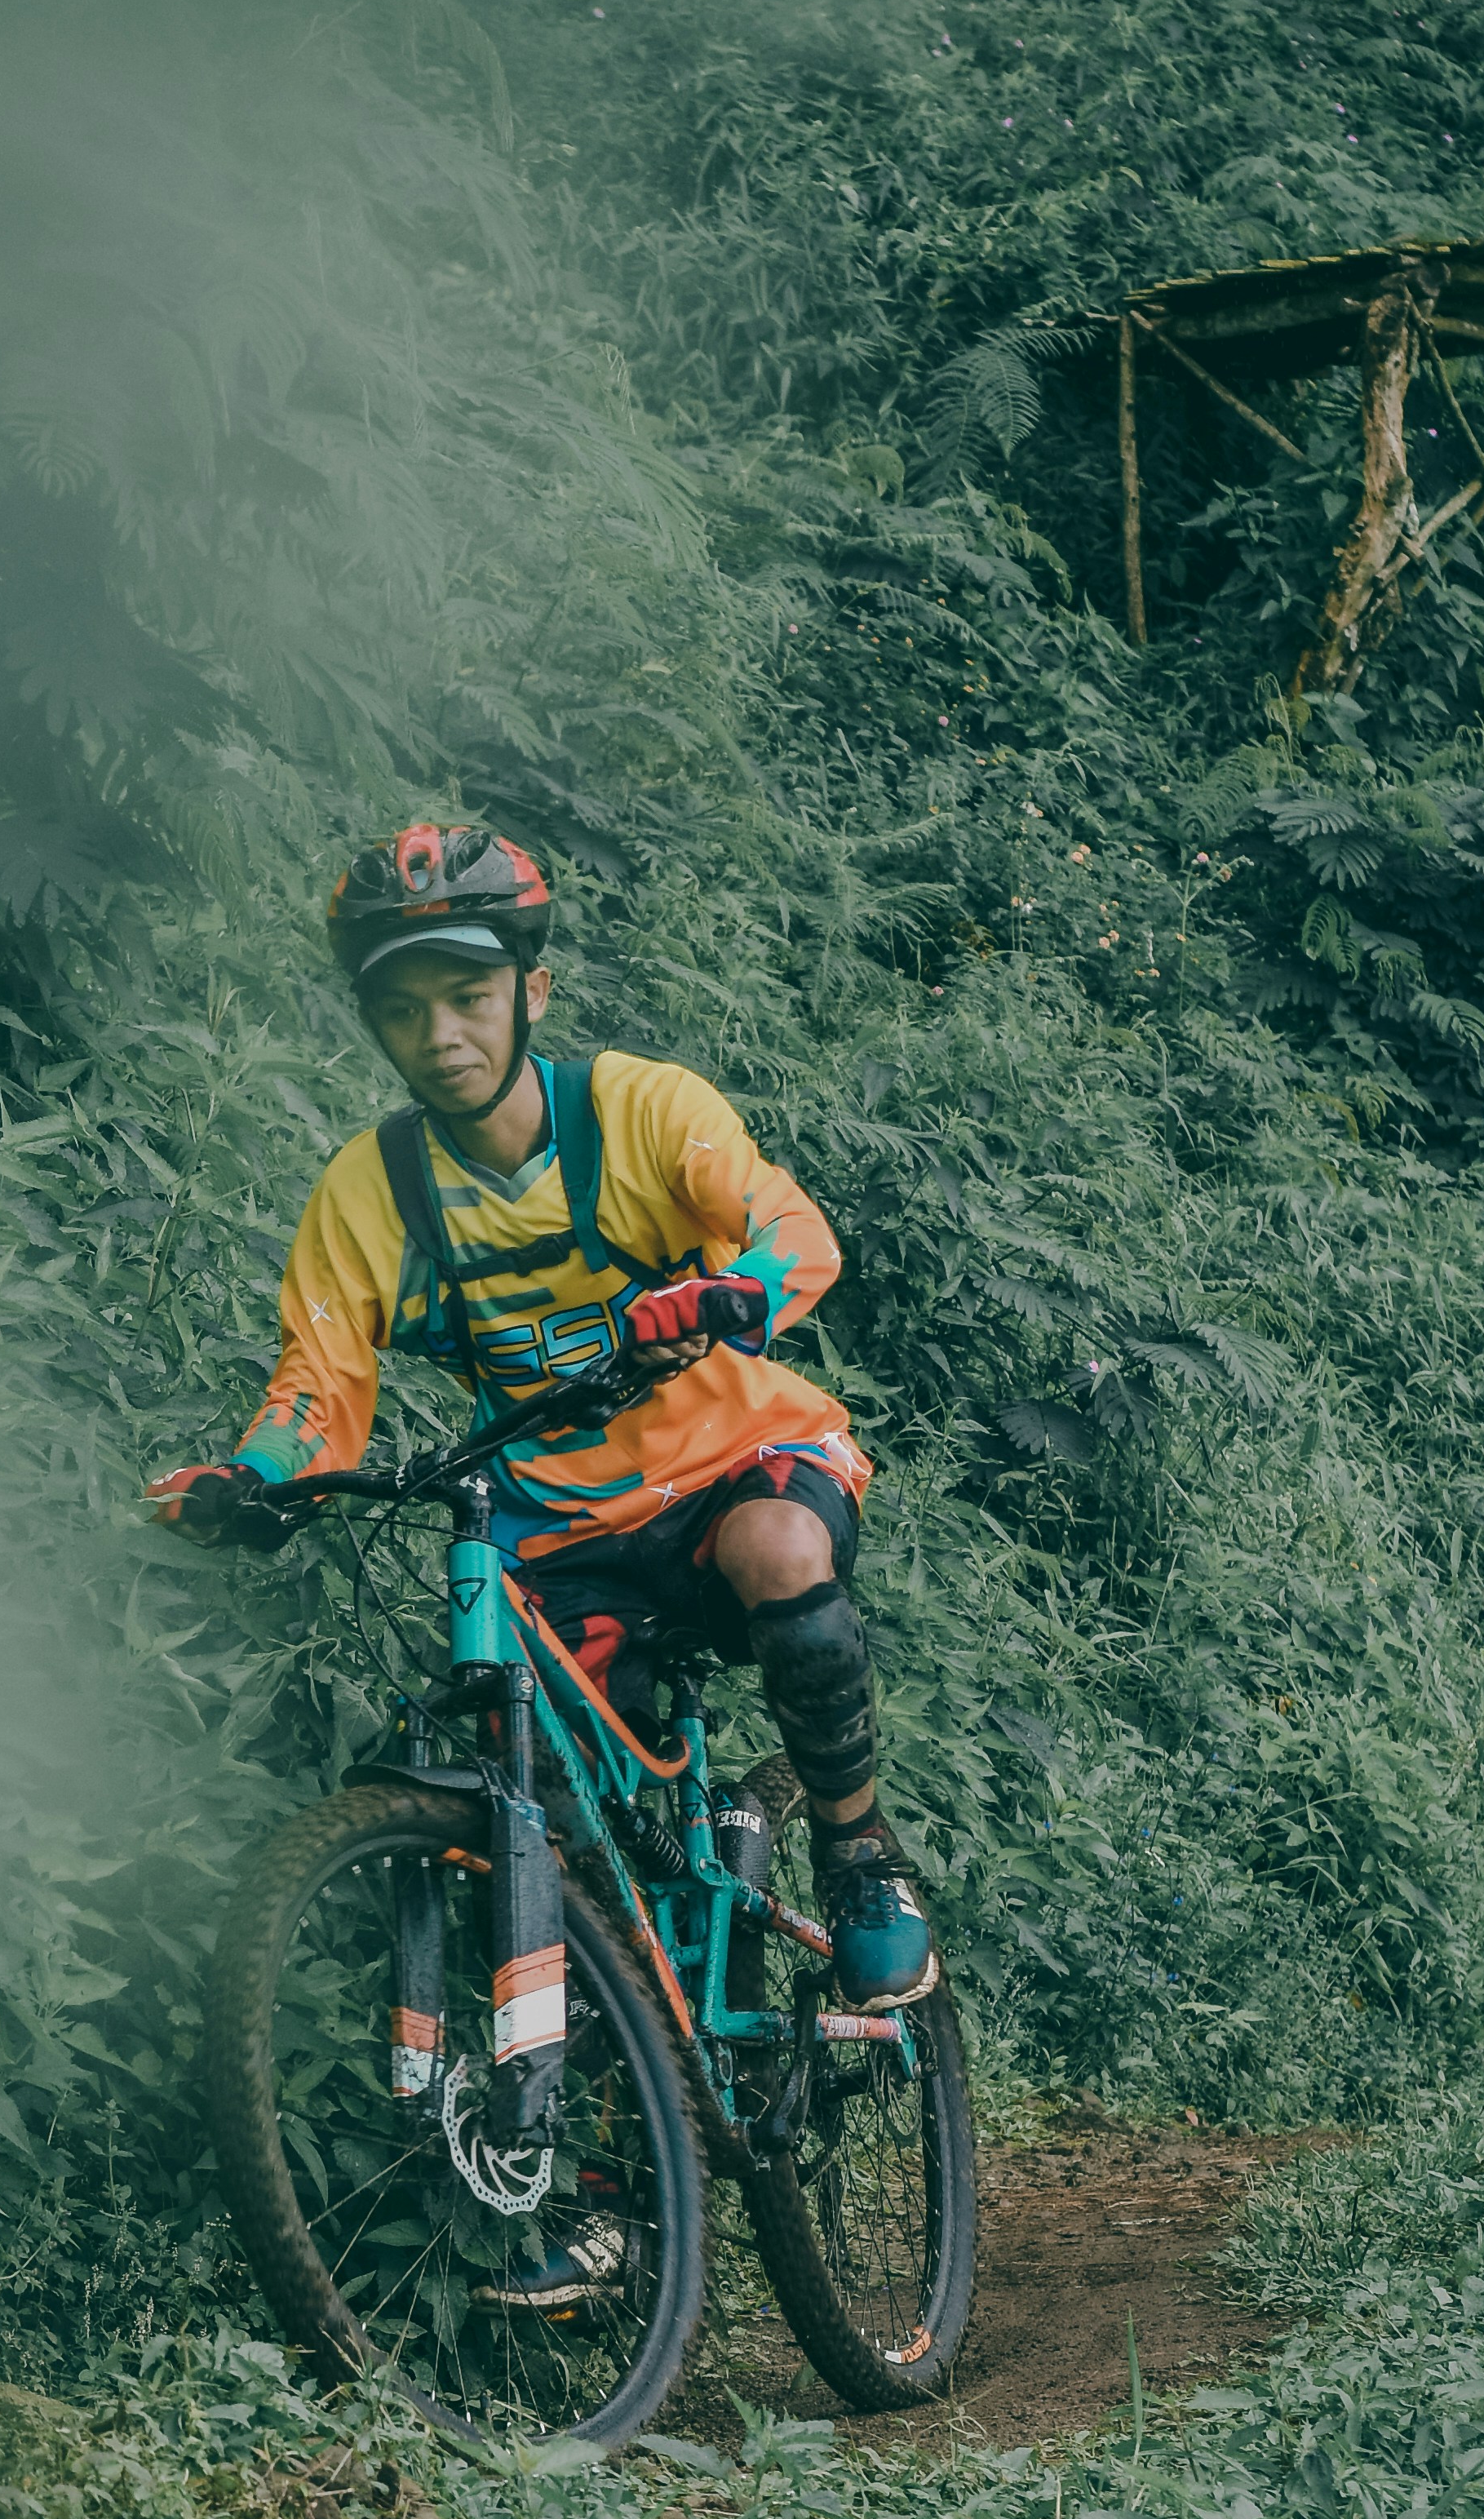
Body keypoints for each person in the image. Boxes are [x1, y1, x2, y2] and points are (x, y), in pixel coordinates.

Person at [147, 825, 934, 2006]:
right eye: (405, 1010)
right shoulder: (368, 1195)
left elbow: (794, 1231)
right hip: (560, 1530)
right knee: (552, 1798)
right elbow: (319, 1386)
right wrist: (254, 1478)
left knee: (780, 1550)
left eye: (469, 995)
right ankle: (629, 2090)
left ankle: (863, 1855)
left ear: (533, 991)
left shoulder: (638, 1114)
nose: (441, 1035)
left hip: (735, 1467)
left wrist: (731, 1292)